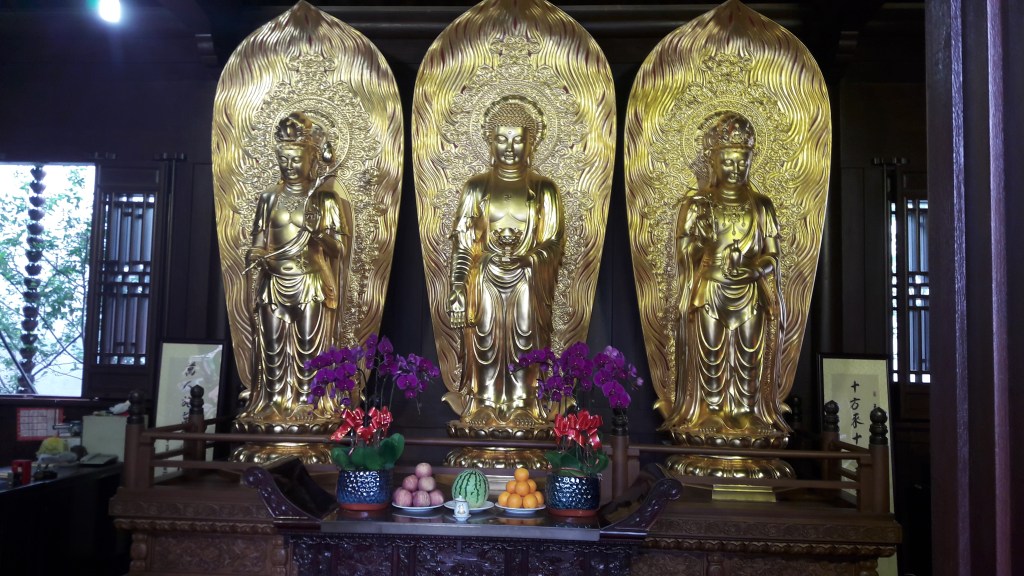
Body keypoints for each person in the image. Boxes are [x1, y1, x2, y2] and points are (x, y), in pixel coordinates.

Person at [663, 111, 788, 439]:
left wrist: (756, 269)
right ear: (713, 162)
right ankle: (711, 410)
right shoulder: (698, 204)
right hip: (711, 288)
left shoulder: (761, 205)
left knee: (749, 353)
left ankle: (746, 412)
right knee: (711, 353)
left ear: (751, 162)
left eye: (741, 162)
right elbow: (683, 253)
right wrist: (700, 244)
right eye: (727, 162)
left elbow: (773, 254)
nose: (735, 168)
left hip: (749, 292)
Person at [447, 96, 564, 429]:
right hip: (484, 279)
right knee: (485, 339)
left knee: (525, 337)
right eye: (501, 139)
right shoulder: (476, 187)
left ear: (531, 143)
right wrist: (458, 287)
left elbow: (554, 242)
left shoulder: (544, 189)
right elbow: (464, 244)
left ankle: (524, 403)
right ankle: (483, 402)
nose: (509, 148)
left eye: (517, 140)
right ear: (489, 141)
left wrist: (530, 260)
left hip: (527, 280)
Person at [239, 112, 351, 429]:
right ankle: (274, 401)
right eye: (283, 159)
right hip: (273, 281)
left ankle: (308, 401)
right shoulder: (269, 198)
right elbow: (258, 243)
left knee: (308, 346)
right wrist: (257, 256)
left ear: (312, 160)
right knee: (272, 346)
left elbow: (338, 251)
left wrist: (318, 234)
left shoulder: (325, 199)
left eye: (296, 159)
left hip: (310, 281)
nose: (289, 166)